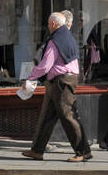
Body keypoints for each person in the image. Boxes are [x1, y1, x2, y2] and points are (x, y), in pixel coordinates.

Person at [20, 12, 93, 163]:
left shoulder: (56, 40)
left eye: (48, 24)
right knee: (47, 117)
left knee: (68, 116)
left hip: (62, 82)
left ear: (53, 24)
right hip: (60, 81)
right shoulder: (67, 36)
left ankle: (83, 151)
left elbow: (45, 64)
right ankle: (37, 150)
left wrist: (30, 78)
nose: (47, 26)